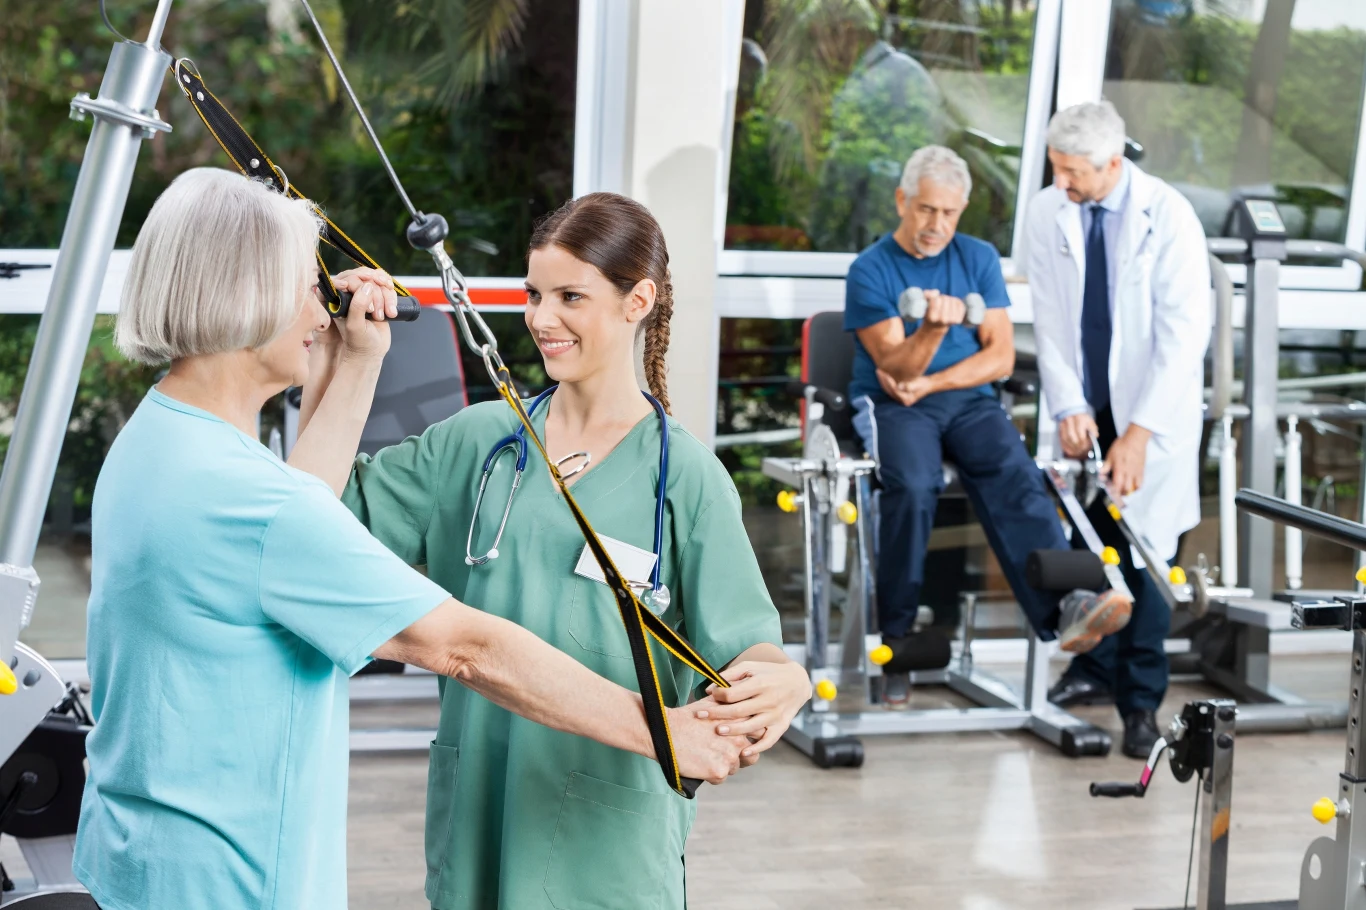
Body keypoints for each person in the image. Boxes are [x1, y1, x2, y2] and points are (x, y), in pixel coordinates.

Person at [73, 169, 748, 910]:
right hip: (223, 876)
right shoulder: (256, 496)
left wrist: (357, 361)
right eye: (308, 287)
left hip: (143, 849)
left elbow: (303, 520)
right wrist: (665, 733)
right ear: (247, 296)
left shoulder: (156, 442)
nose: (323, 311)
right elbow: (463, 646)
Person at [303, 192, 810, 910]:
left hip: (610, 843)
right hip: (479, 818)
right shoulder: (473, 443)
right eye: (534, 294)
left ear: (638, 301)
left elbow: (746, 651)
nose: (541, 319)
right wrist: (351, 358)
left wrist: (786, 680)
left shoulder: (688, 480)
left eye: (571, 296)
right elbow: (311, 521)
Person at [843, 145, 1133, 674]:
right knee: (914, 486)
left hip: (965, 401)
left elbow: (1000, 357)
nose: (937, 225)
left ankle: (1069, 604)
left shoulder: (976, 258)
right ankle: (897, 636)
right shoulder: (870, 269)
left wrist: (933, 380)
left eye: (949, 213)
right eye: (926, 209)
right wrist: (934, 329)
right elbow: (897, 369)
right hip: (894, 407)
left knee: (1015, 473)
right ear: (902, 201)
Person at [1025, 101, 1210, 757]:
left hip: (1150, 412)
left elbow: (1184, 338)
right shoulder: (1048, 212)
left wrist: (1138, 434)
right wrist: (1069, 406)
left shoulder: (1169, 216)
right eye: (1056, 169)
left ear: (1110, 163)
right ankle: (1092, 669)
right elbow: (1050, 321)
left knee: (1146, 553)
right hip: (1088, 404)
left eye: (1074, 172)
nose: (1062, 183)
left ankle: (1140, 705)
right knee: (1088, 540)